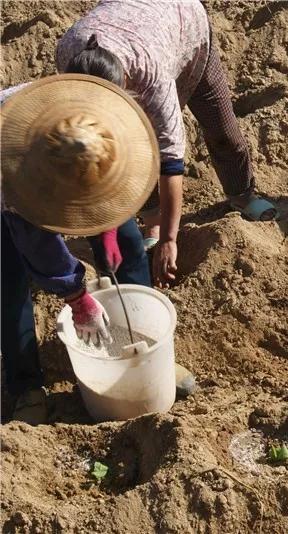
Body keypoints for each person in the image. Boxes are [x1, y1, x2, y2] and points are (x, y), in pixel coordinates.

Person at [0, 75, 192, 425]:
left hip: (65, 158)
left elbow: (93, 170)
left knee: (128, 242)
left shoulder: (88, 116)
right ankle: (26, 386)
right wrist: (77, 299)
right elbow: (39, 247)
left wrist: (108, 231)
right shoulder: (15, 178)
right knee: (8, 281)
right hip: (8, 190)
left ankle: (149, 354)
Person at [56, 0, 278, 288]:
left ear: (126, 83)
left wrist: (170, 241)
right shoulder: (69, 57)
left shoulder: (151, 76)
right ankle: (152, 219)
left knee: (219, 124)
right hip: (135, 27)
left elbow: (171, 163)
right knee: (131, 144)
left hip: (183, 23)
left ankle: (242, 194)